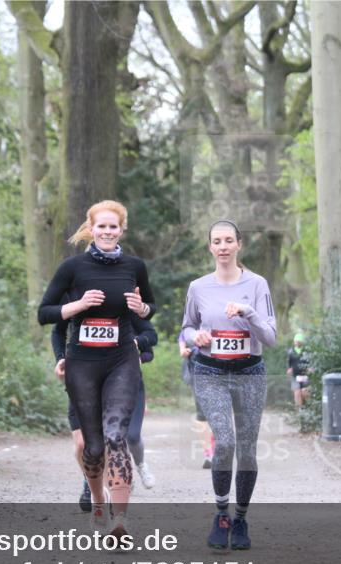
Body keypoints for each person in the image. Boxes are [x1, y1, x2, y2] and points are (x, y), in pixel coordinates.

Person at [38, 200, 155, 538]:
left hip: (121, 359)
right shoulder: (72, 268)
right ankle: (98, 499)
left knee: (117, 435)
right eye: (101, 226)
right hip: (82, 362)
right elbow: (44, 313)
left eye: (113, 227)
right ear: (90, 229)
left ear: (122, 230)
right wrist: (79, 305)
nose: (107, 232)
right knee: (92, 447)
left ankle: (120, 521)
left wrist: (143, 307)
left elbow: (150, 310)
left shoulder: (135, 266)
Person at [181, 219, 276, 550]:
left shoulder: (257, 284)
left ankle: (241, 518)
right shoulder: (198, 287)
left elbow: (271, 337)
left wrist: (248, 313)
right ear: (210, 247)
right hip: (210, 372)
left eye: (228, 240)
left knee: (247, 449)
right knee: (225, 441)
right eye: (216, 241)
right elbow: (186, 329)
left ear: (239, 244)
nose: (222, 246)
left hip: (250, 372)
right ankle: (221, 514)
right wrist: (197, 336)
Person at [53, 311, 158, 512]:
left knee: (113, 438)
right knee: (82, 444)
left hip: (117, 383)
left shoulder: (122, 301)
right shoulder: (75, 297)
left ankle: (106, 490)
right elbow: (57, 331)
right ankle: (92, 481)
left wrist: (134, 349)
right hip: (81, 378)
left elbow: (150, 338)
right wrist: (60, 358)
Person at [179, 333, 214, 469]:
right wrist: (184, 351)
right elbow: (182, 344)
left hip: (221, 371)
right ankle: (209, 454)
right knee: (202, 414)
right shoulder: (189, 327)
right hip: (197, 372)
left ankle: (217, 450)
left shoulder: (220, 319)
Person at [287, 332, 311, 407]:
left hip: (305, 375)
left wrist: (310, 368)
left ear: (302, 342)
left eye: (299, 341)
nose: (297, 343)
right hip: (295, 375)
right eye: (296, 341)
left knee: (304, 393)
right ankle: (299, 413)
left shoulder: (307, 351)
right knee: (297, 393)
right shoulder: (290, 352)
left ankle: (307, 409)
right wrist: (289, 369)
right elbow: (289, 363)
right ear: (294, 342)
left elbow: (311, 361)